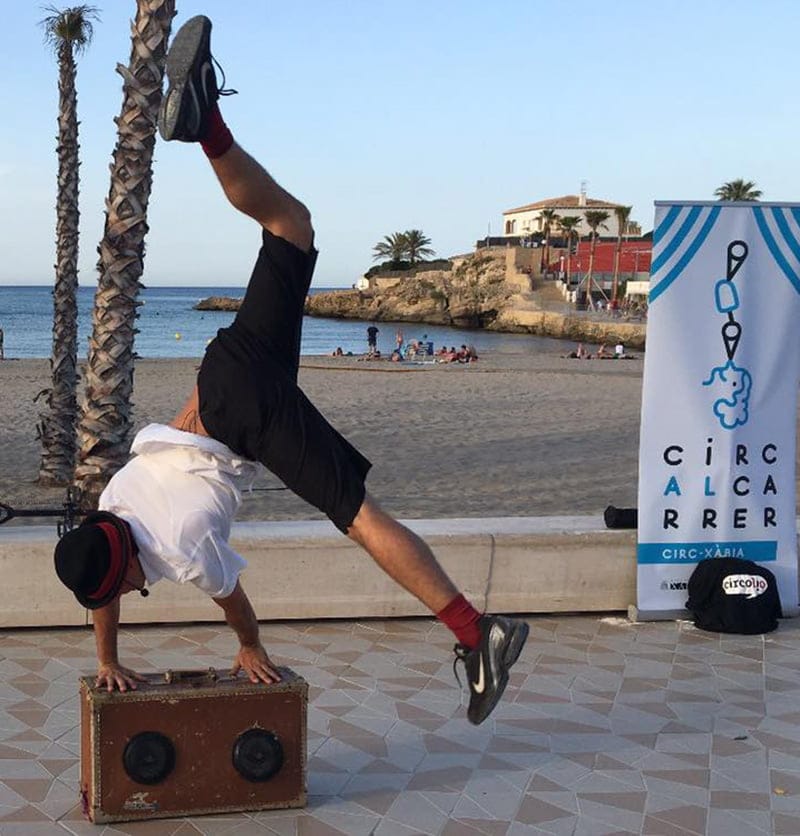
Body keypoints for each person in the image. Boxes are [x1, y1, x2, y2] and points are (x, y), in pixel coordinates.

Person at [52, 15, 527, 726]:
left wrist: (249, 647)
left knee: (357, 515)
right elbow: (103, 580)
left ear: (120, 573)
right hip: (224, 371)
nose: (117, 598)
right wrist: (106, 660)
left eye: (115, 589)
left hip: (247, 412)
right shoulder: (114, 505)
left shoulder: (184, 549)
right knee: (291, 226)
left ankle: (476, 633)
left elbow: (233, 605)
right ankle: (208, 124)